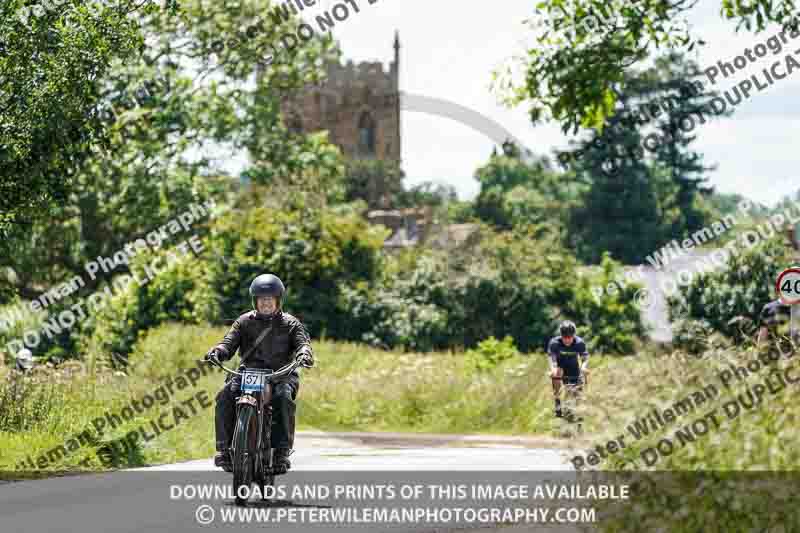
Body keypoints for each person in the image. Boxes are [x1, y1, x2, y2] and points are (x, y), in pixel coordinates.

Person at [206, 273, 314, 473]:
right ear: (255, 301)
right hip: (249, 372)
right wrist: (218, 351)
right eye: (261, 300)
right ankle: (224, 450)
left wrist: (304, 353)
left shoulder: (291, 324)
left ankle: (281, 452)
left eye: (270, 300)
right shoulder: (244, 322)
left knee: (283, 398)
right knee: (224, 396)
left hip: (280, 373)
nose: (266, 304)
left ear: (278, 301)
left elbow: (302, 343)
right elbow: (228, 342)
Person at [547, 320, 589, 418]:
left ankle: (572, 412)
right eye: (564, 337)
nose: (567, 340)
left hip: (573, 367)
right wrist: (553, 368)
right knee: (557, 372)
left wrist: (583, 367)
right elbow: (552, 359)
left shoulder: (579, 343)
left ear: (574, 335)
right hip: (560, 366)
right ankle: (557, 401)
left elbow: (585, 358)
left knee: (576, 393)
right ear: (561, 335)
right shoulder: (554, 343)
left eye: (570, 337)